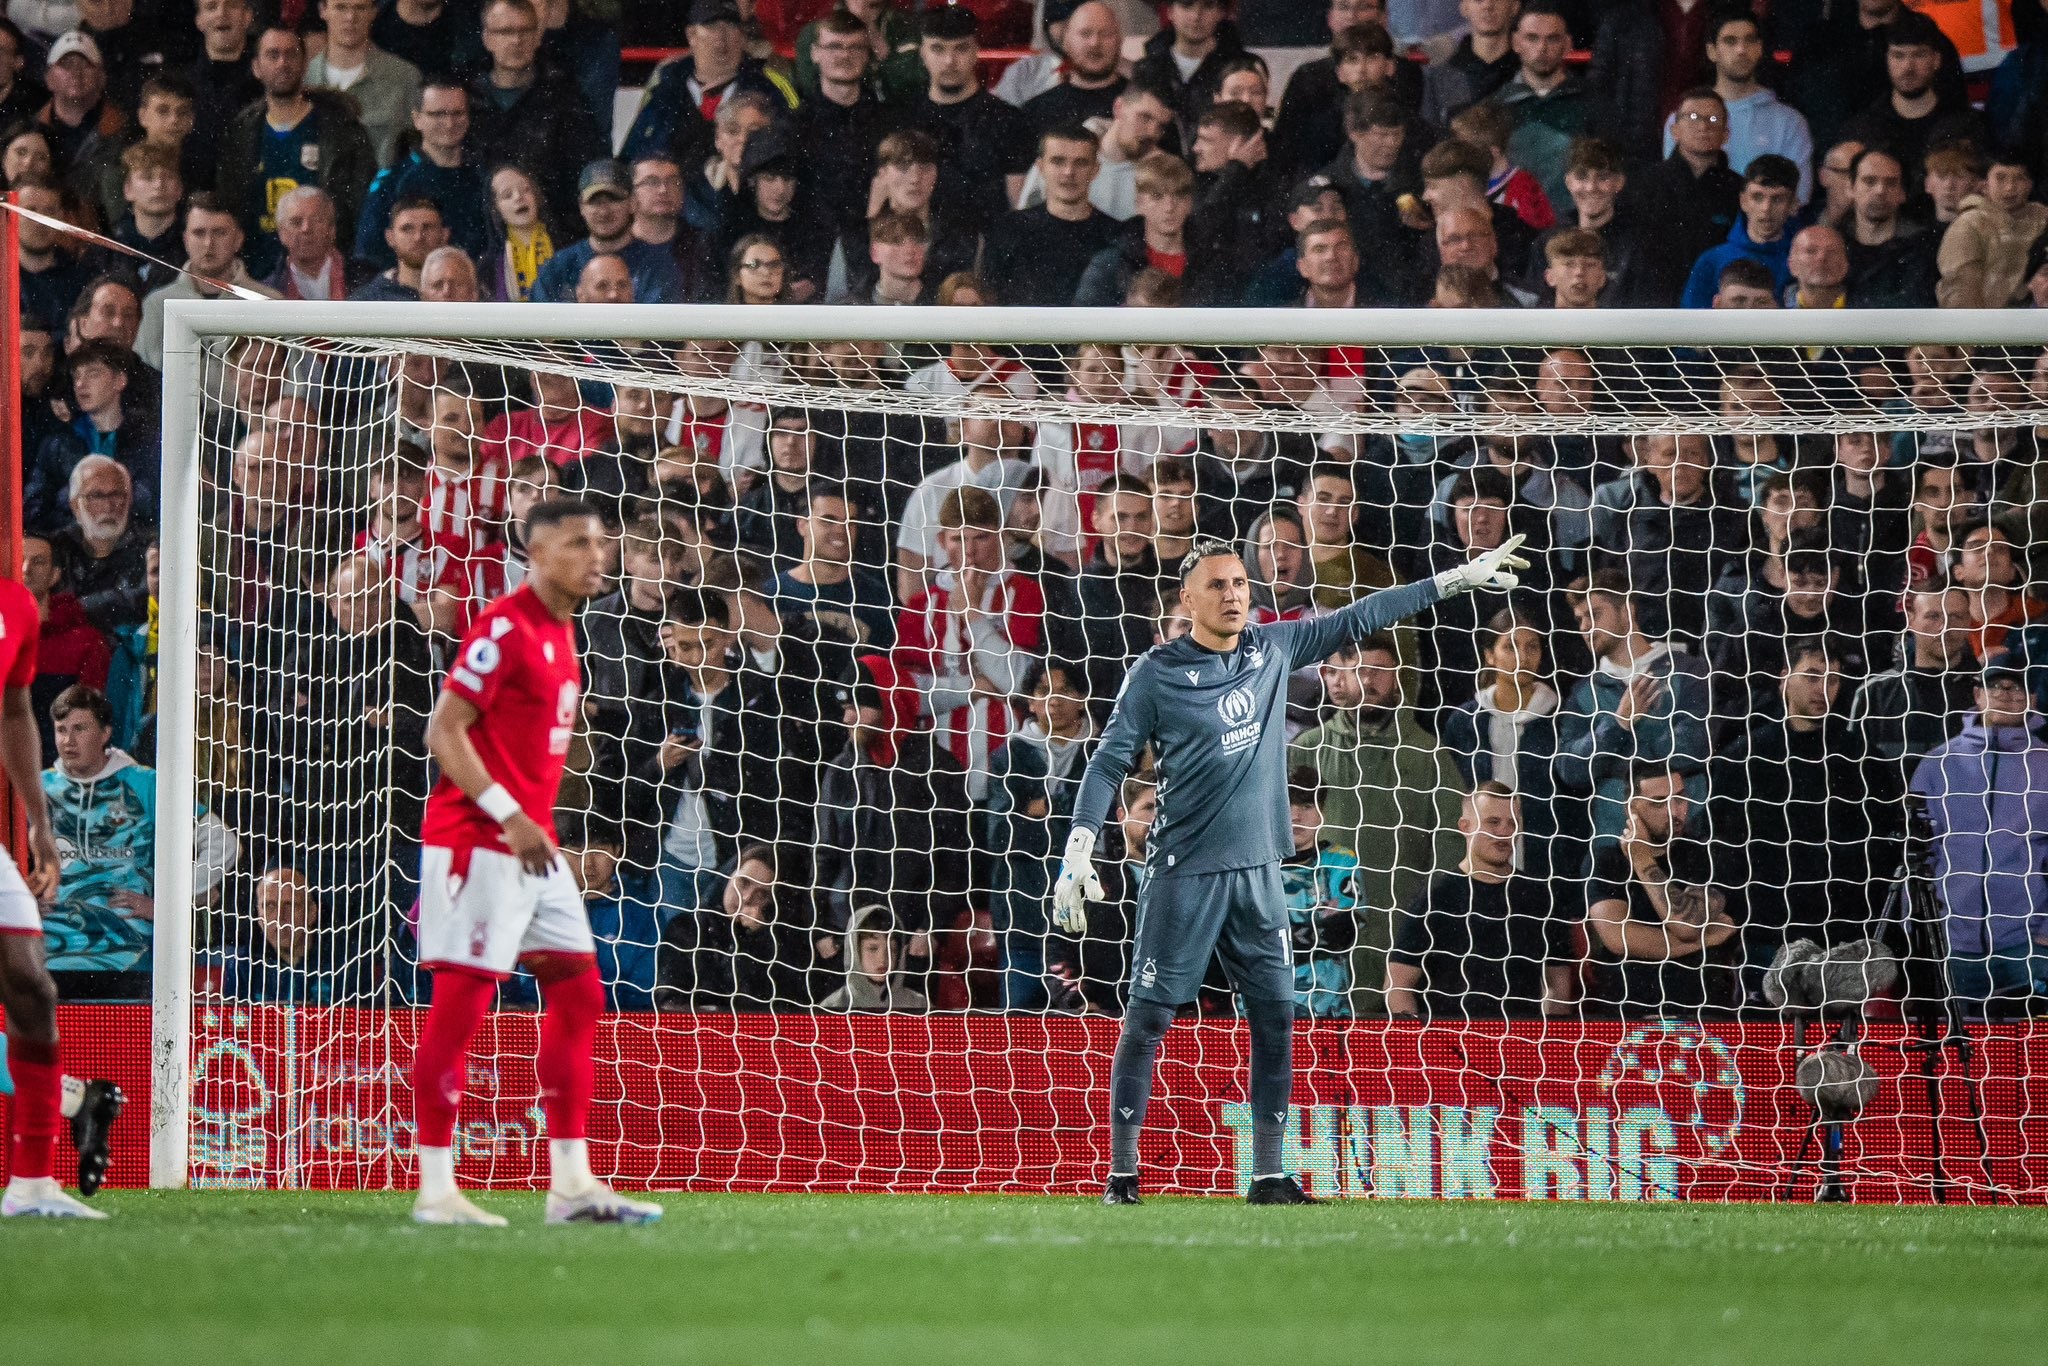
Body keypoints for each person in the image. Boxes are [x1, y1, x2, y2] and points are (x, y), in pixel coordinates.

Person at [1055, 531, 1526, 1204]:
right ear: (1187, 599)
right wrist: (1079, 843)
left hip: (1260, 875)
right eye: (1217, 585)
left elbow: (1363, 614)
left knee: (1276, 1019)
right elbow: (1108, 761)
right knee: (1149, 1019)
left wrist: (1454, 580)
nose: (1233, 595)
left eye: (1240, 583)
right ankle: (1123, 1173)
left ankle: (1269, 1175)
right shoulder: (1156, 673)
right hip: (1183, 873)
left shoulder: (1272, 649)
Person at [408, 499, 662, 1226]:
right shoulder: (504, 627)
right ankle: (435, 1191)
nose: (597, 556)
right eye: (579, 543)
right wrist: (509, 813)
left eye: (601, 543)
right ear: (538, 552)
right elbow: (443, 732)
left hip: (532, 846)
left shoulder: (562, 631)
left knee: (580, 995)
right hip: (477, 842)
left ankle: (571, 1186)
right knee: (461, 1008)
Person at [0, 575, 106, 1218]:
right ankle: (74, 1100)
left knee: (32, 985)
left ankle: (33, 1182)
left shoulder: (15, 605)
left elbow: (14, 711)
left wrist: (39, 822)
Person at [1910, 653, 2048, 1002]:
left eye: (2017, 686)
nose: (2005, 692)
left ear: (2033, 699)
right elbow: (1916, 853)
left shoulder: (2045, 764)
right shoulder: (1939, 762)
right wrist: (1919, 928)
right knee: (1955, 1036)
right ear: (1977, 694)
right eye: (1995, 684)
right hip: (1952, 943)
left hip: (2029, 946)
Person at [1387, 782, 1574, 1019]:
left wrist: (1551, 1037)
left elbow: (1559, 983)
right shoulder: (1436, 895)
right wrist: (1417, 1038)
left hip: (1521, 1039)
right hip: (1450, 1039)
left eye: (1512, 823)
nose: (1504, 832)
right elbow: (1398, 985)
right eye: (1493, 822)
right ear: (1465, 827)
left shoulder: (1541, 896)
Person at [216, 26, 376, 279]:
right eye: (273, 55)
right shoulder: (242, 132)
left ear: (305, 64)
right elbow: (231, 204)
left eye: (291, 55)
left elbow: (360, 205)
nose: (283, 63)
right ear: (256, 67)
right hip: (257, 271)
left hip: (324, 273)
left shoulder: (341, 130)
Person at [1583, 760, 1741, 1017]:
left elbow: (1685, 926)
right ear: (1631, 809)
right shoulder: (1606, 860)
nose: (1674, 811)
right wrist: (1708, 937)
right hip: (1628, 1011)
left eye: (1679, 798)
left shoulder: (1708, 854)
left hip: (1703, 1011)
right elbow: (1618, 939)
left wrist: (1641, 858)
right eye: (1658, 802)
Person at [1664, 8, 1813, 202]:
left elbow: (1798, 198)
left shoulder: (1790, 123)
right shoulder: (1681, 118)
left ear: (1760, 48)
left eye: (1750, 40)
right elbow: (1672, 189)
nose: (1741, 50)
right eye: (1730, 41)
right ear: (1711, 51)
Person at [985, 127, 1121, 309]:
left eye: (1081, 163)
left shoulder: (1116, 236)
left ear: (1095, 170)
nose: (1068, 172)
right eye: (1058, 161)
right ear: (1041, 167)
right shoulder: (1009, 229)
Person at [307, 0, 422, 169]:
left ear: (374, 12)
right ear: (323, 10)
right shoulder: (303, 79)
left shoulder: (405, 78)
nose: (350, 17)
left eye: (360, 8)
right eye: (341, 7)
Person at [1936, 152, 2048, 310]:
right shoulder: (1969, 224)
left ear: (2030, 184)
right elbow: (1961, 291)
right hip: (1984, 319)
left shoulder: (2043, 219)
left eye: (2019, 178)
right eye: (2000, 178)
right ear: (1984, 185)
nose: (2010, 187)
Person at [818, 904, 929, 1013]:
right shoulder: (833, 1006)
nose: (883, 959)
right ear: (854, 950)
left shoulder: (918, 1003)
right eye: (873, 949)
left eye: (891, 949)